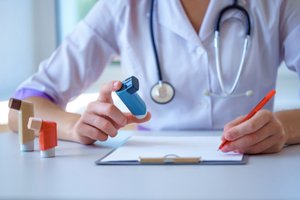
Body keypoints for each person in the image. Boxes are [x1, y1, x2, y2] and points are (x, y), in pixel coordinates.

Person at [8, 0, 300, 154]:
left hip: (254, 171)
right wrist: (76, 127)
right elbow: (19, 107)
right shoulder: (121, 6)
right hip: (150, 171)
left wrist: (284, 129)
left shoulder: (277, 4)